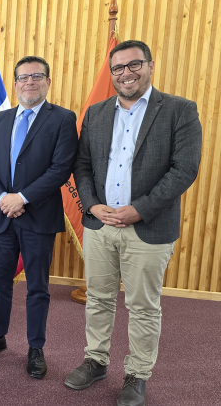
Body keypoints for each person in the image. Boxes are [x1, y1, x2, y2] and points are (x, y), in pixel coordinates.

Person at [65, 40, 202, 406]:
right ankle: (95, 360)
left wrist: (139, 209)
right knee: (98, 299)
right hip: (100, 226)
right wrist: (92, 206)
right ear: (111, 74)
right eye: (118, 68)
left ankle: (138, 373)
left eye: (133, 65)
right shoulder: (95, 113)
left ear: (150, 65)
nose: (126, 73)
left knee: (143, 306)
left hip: (148, 228)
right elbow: (82, 166)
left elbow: (184, 169)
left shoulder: (179, 110)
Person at [0, 56, 78, 378]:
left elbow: (61, 168)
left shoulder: (62, 118)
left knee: (38, 287)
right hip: (2, 216)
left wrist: (23, 197)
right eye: (23, 77)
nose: (29, 82)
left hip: (38, 217)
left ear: (48, 81)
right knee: (0, 282)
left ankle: (36, 347)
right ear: (15, 83)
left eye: (36, 76)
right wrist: (4, 198)